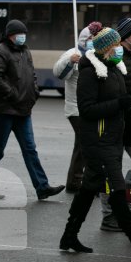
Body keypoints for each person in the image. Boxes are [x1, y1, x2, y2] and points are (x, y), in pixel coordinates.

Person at [59, 27, 131, 257]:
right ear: (106, 47)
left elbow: (118, 101)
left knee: (88, 190)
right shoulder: (89, 72)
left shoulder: (114, 69)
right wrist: (119, 103)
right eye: (115, 44)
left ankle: (69, 235)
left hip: (112, 139)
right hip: (98, 140)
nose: (119, 48)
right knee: (117, 190)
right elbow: (86, 109)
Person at [0, 20, 65, 200]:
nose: (23, 36)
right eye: (20, 33)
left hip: (23, 110)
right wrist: (12, 94)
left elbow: (32, 75)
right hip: (5, 110)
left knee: (30, 150)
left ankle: (42, 187)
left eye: (24, 33)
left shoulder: (25, 51)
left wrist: (34, 92)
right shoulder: (0, 51)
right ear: (11, 35)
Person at [98, 17, 131, 232]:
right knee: (111, 169)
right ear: (126, 36)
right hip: (114, 121)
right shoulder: (112, 58)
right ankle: (110, 215)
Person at [52, 21, 103, 193]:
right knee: (87, 142)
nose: (92, 41)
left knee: (82, 144)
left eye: (94, 38)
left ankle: (75, 181)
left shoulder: (97, 55)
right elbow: (59, 74)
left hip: (92, 108)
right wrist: (69, 62)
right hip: (75, 109)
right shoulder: (73, 54)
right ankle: (85, 181)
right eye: (89, 38)